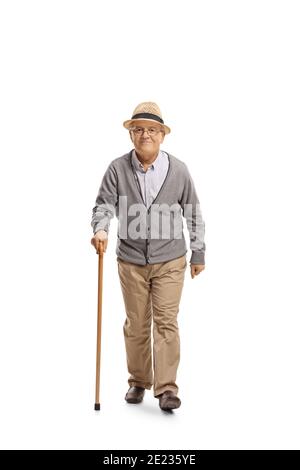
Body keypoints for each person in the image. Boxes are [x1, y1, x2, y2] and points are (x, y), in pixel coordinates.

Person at [91, 102, 205, 411]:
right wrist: (101, 229)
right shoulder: (117, 168)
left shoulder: (178, 169)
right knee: (137, 323)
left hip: (170, 260)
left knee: (166, 322)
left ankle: (166, 388)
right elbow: (103, 204)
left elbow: (192, 211)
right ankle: (139, 381)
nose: (146, 135)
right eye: (139, 129)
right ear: (131, 135)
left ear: (162, 136)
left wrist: (198, 252)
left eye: (152, 130)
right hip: (130, 261)